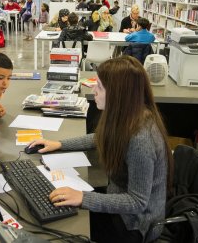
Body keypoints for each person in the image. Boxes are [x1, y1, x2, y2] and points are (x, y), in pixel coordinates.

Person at [29, 56, 173, 242]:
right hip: (118, 202)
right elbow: (100, 137)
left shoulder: (141, 139)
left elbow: (137, 202)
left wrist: (84, 198)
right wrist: (60, 144)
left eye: (100, 86)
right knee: (57, 208)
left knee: (63, 230)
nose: (94, 90)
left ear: (117, 94)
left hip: (135, 225)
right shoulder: (127, 117)